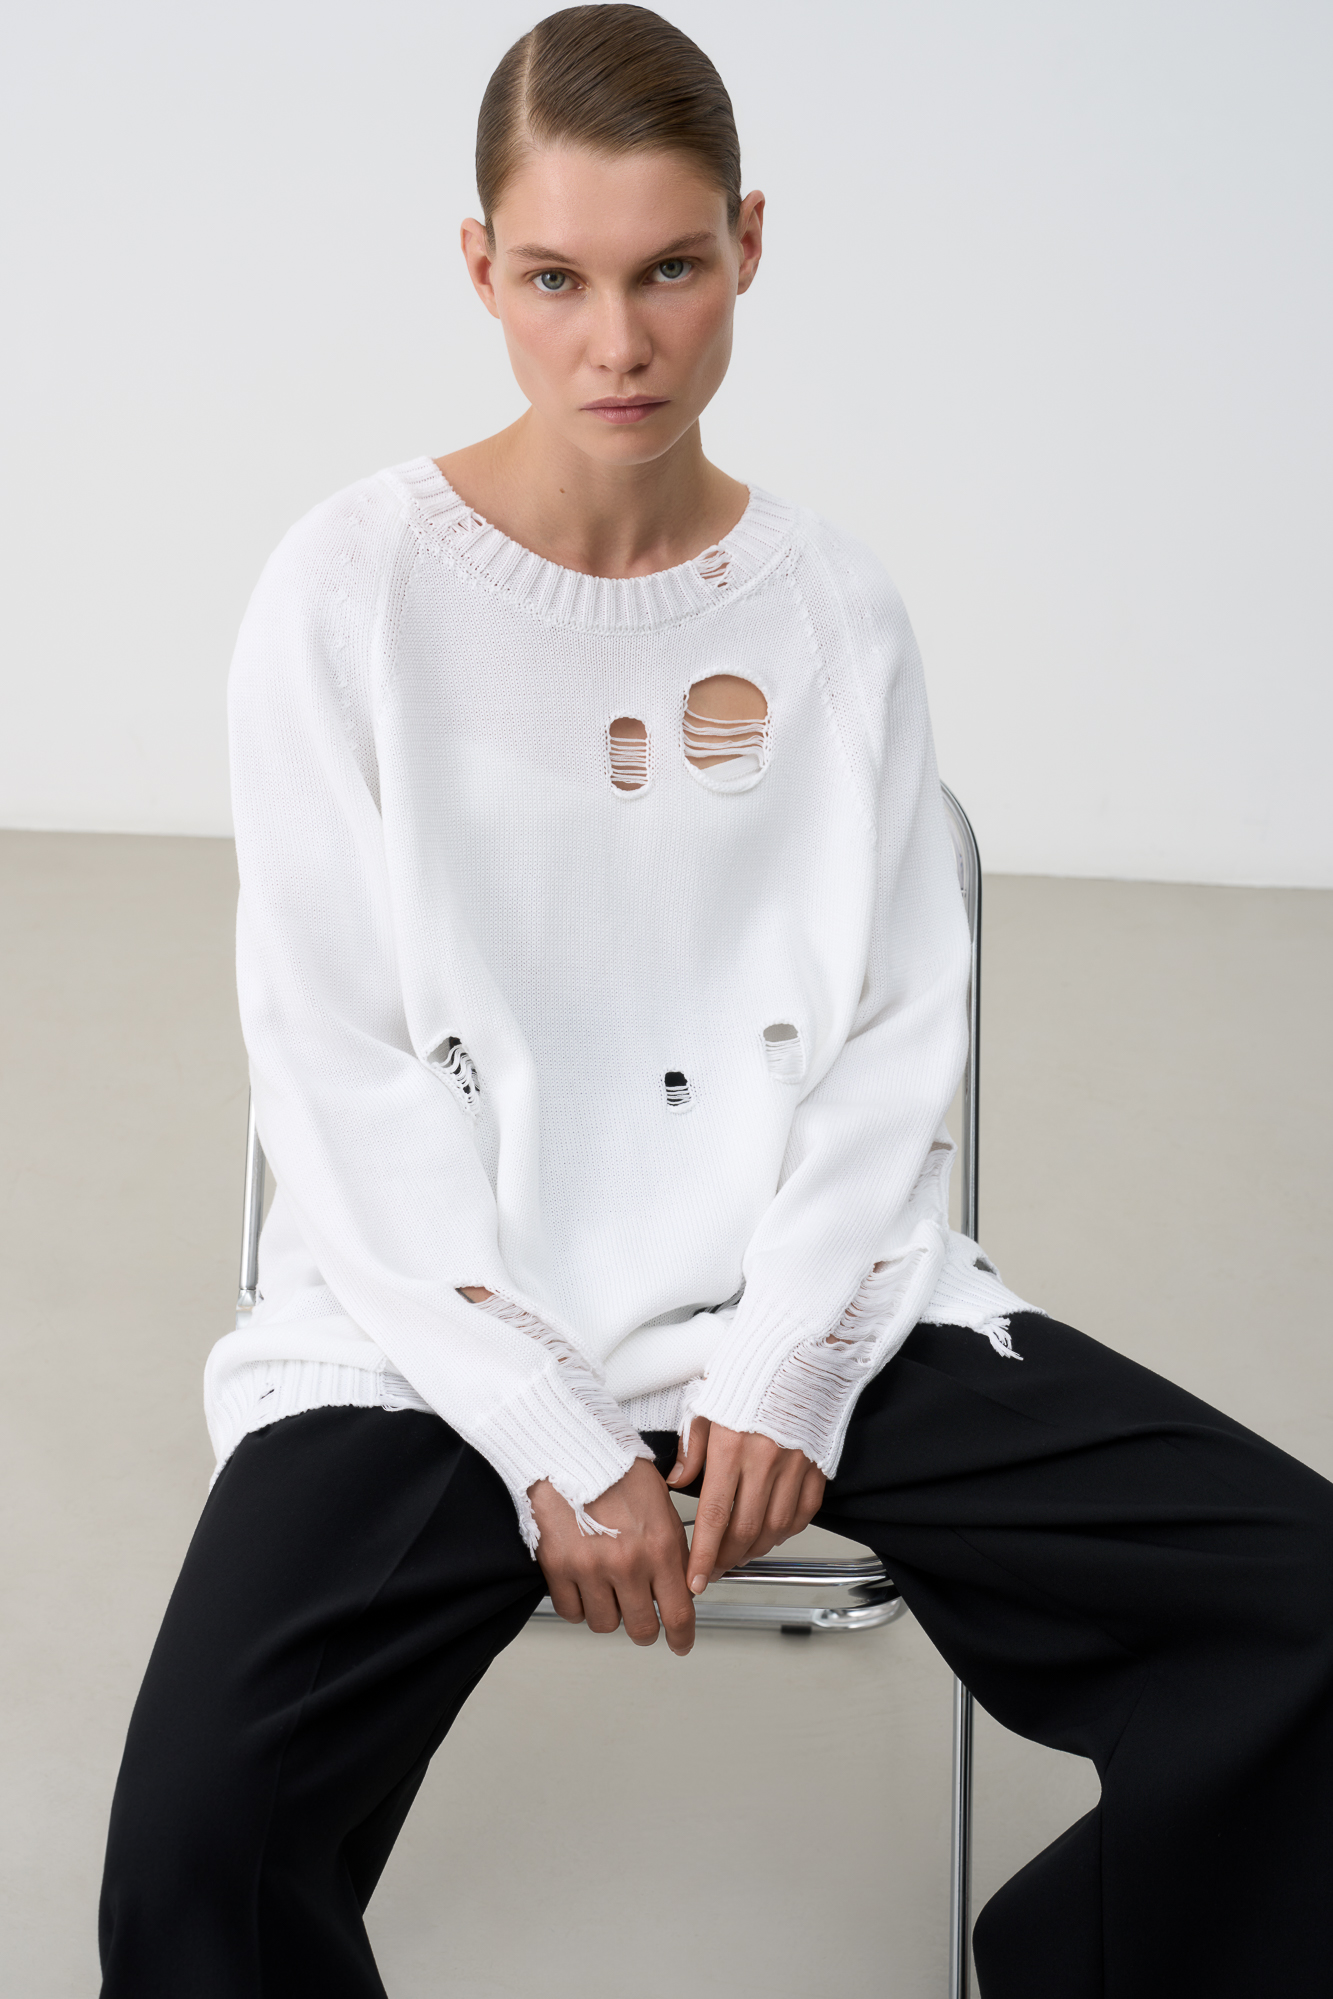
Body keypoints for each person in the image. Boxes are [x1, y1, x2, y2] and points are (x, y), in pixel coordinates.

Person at [97, 7, 1333, 1995]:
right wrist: (544, 1426)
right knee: (195, 1849)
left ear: (749, 243)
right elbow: (332, 1064)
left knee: (1305, 1615)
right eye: (555, 279)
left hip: (793, 1301)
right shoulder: (347, 589)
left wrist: (784, 1367)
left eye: (669, 268)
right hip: (431, 1335)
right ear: (477, 267)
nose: (619, 342)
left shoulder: (831, 608)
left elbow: (889, 1038)